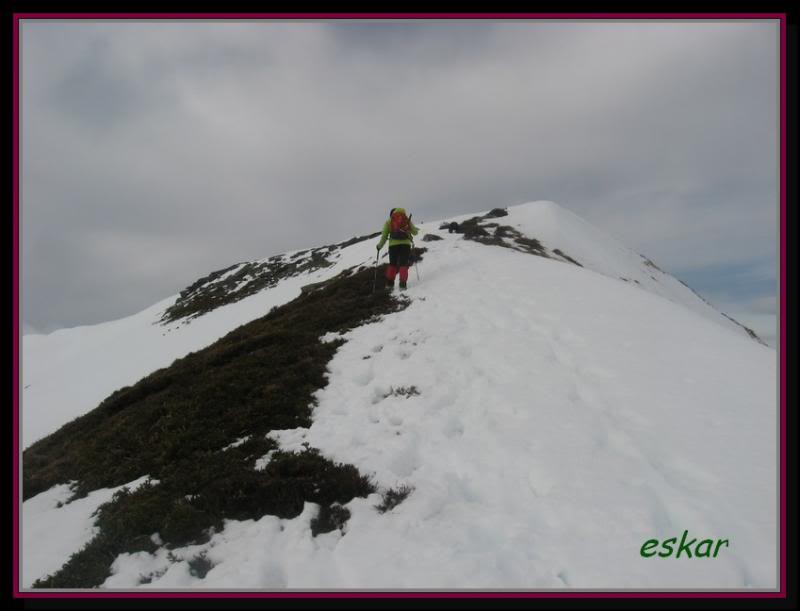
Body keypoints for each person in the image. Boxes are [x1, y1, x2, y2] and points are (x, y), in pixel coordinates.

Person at [376, 208, 419, 290]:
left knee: (392, 264)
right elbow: (415, 232)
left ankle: (389, 284)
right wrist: (408, 229)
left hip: (393, 246)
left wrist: (379, 246)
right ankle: (402, 285)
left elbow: (384, 236)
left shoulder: (389, 221)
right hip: (405, 245)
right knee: (403, 264)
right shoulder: (406, 219)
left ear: (391, 214)